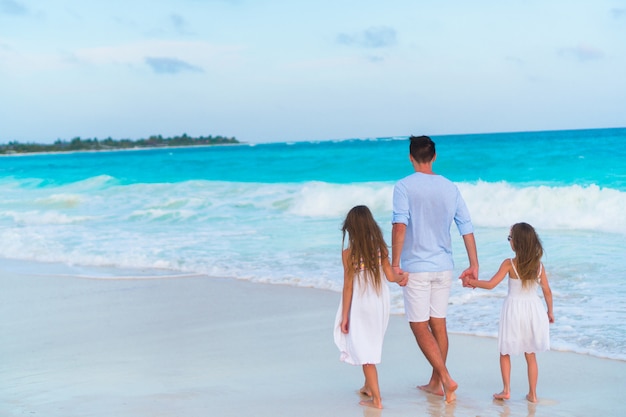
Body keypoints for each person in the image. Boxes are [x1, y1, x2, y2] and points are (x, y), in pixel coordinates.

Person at [391, 135, 479, 404]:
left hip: (416, 268)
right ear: (435, 156)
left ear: (410, 157)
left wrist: (395, 264)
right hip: (444, 267)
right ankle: (435, 383)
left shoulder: (403, 186)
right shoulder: (449, 186)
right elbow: (466, 225)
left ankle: (445, 378)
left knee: (419, 326)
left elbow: (399, 225)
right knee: (438, 323)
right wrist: (474, 263)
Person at [463, 222, 554, 403]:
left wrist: (472, 282)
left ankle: (506, 390)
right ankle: (533, 394)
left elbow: (490, 284)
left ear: (517, 243)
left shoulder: (509, 264)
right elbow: (547, 291)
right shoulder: (539, 266)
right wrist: (550, 312)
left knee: (505, 352)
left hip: (513, 310)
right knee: (531, 354)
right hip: (534, 310)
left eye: (510, 238)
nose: (509, 241)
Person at [334, 205, 408, 409]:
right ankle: (368, 386)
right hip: (379, 303)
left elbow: (348, 286)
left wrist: (345, 316)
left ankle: (376, 400)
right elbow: (391, 277)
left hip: (361, 303)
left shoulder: (348, 253)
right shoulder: (380, 249)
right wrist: (403, 278)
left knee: (365, 353)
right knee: (370, 343)